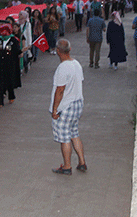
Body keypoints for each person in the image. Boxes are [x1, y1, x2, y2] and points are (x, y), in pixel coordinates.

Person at [49, 39, 87, 175]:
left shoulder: (62, 68)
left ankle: (67, 166)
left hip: (65, 106)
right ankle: (82, 162)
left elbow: (60, 90)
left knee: (64, 137)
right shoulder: (76, 64)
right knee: (74, 133)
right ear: (70, 49)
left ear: (58, 51)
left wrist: (55, 110)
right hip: (77, 103)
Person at [0, 21, 21, 108]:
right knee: (1, 83)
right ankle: (0, 102)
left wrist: (22, 50)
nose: (4, 36)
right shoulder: (0, 40)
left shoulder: (14, 40)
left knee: (9, 82)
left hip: (10, 65)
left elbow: (16, 52)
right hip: (0, 64)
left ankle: (11, 96)